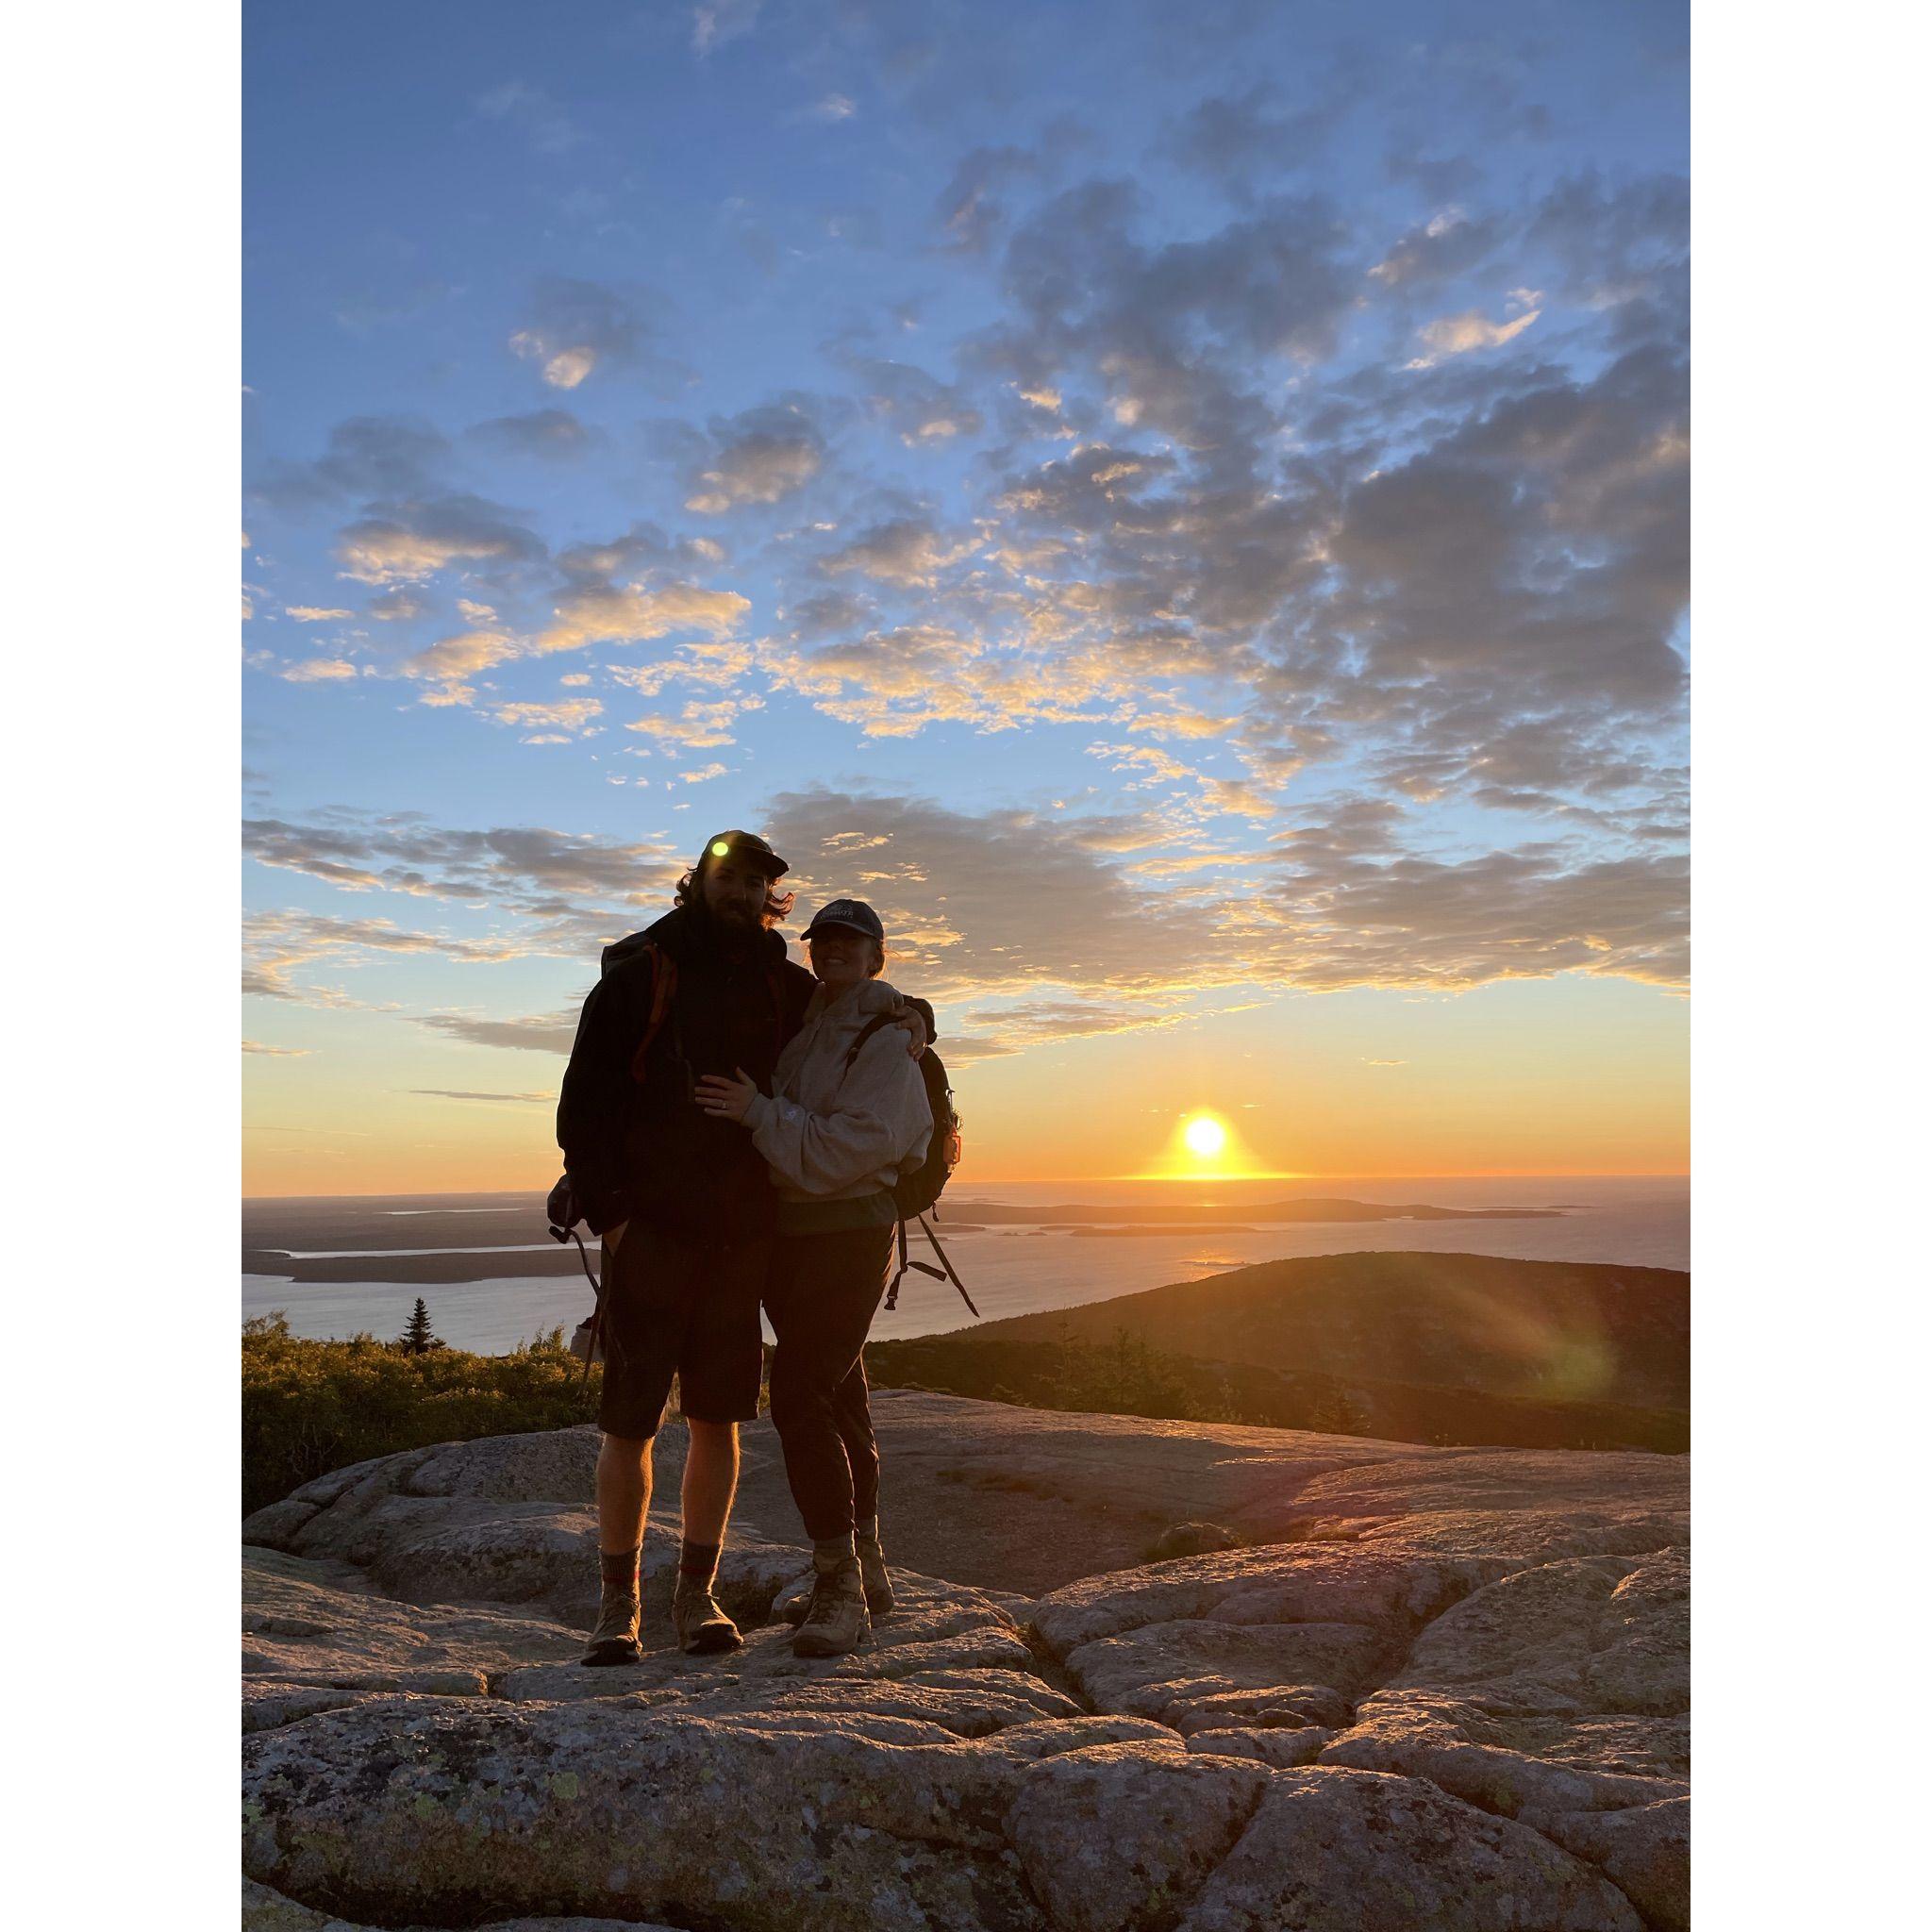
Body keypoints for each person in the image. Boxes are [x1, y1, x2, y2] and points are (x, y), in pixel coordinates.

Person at [553, 834, 930, 1666]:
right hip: (652, 1232)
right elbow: (582, 1108)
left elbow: (856, 1006)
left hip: (742, 1239)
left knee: (718, 1418)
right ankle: (618, 1608)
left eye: (757, 883)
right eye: (730, 877)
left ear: (770, 900)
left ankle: (698, 1597)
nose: (744, 891)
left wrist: (913, 1014)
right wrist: (615, 1219)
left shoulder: (781, 983)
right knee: (630, 1420)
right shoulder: (642, 974)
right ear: (699, 883)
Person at [695, 896, 932, 1658]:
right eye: (822, 940)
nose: (832, 950)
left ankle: (839, 1590)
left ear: (876, 955)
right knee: (841, 1394)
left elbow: (848, 1149)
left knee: (799, 1395)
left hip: (850, 1238)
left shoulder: (887, 1037)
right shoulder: (809, 1022)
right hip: (792, 1241)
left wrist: (759, 1115)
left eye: (849, 942)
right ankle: (868, 1569)